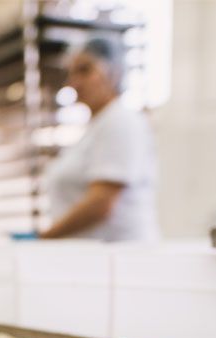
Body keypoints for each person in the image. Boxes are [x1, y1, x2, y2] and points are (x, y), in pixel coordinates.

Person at [40, 36, 160, 241]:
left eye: (85, 70)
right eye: (71, 73)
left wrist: (45, 237)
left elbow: (101, 203)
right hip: (97, 258)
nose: (74, 82)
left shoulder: (120, 121)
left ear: (114, 73)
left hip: (121, 257)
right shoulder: (95, 128)